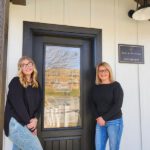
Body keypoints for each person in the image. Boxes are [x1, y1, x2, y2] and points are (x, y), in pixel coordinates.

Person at [4, 56, 43, 150]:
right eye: (23, 65)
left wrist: (36, 119)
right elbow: (18, 105)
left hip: (27, 124)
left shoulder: (36, 84)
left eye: (29, 64)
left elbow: (40, 104)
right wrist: (31, 127)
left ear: (33, 66)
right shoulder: (15, 82)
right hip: (16, 123)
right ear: (20, 68)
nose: (27, 66)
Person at [91, 62, 123, 150]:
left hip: (114, 121)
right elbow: (92, 104)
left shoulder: (116, 86)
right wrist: (98, 118)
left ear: (109, 72)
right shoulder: (95, 87)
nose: (103, 73)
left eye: (105, 70)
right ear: (98, 73)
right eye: (100, 71)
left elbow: (118, 105)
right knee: (99, 148)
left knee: (113, 148)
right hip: (100, 122)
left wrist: (104, 118)